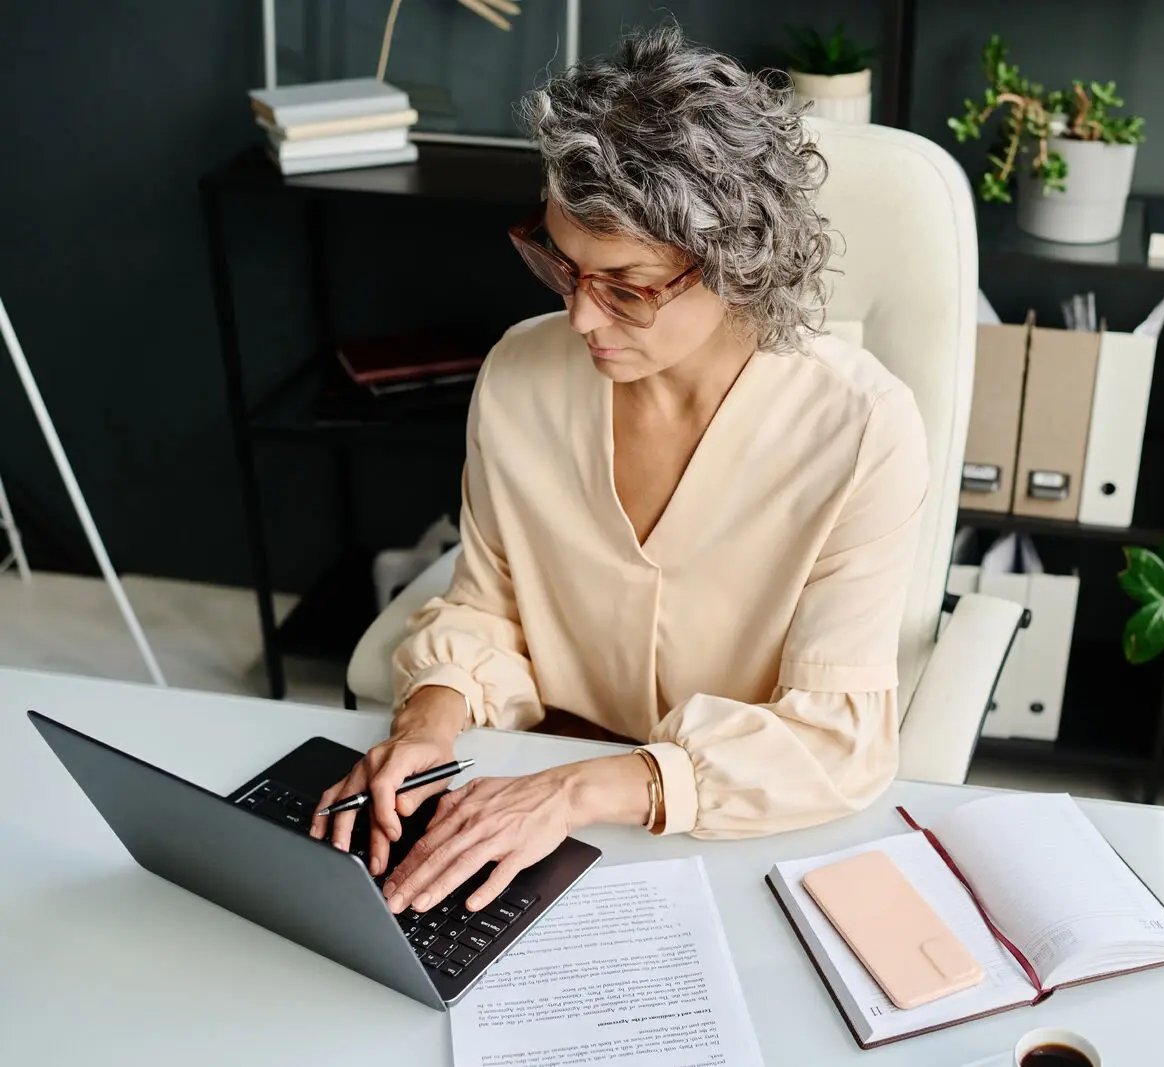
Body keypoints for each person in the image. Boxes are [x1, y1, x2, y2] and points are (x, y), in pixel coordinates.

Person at [308, 22, 928, 919]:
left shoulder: (860, 428)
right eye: (564, 270)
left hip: (726, 829)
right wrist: (429, 721)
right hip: (521, 792)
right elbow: (487, 602)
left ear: (737, 261)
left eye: (626, 286)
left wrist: (574, 792)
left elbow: (837, 743)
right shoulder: (520, 377)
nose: (582, 320)